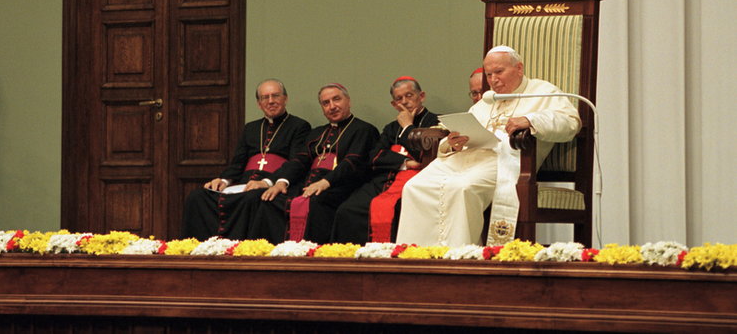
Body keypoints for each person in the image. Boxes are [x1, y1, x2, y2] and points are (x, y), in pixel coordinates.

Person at [396, 46, 580, 247]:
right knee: (414, 187)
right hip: (465, 158)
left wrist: (531, 119)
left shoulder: (543, 92)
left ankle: (458, 258)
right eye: (489, 74)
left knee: (462, 188)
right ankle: (417, 257)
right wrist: (451, 143)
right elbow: (463, 128)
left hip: (503, 161)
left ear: (519, 68)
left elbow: (571, 122)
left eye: (499, 72)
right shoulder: (487, 99)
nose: (493, 80)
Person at [180, 79, 311, 239]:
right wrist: (224, 180)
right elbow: (238, 161)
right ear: (259, 103)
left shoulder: (299, 126)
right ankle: (203, 247)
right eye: (265, 97)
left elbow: (296, 162)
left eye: (275, 96)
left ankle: (238, 249)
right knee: (197, 196)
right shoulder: (251, 128)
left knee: (253, 198)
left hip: (273, 183)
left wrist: (267, 182)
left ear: (285, 98)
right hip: (243, 183)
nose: (270, 101)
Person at [249, 83, 379, 244]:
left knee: (316, 203)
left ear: (348, 101)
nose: (332, 106)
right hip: (308, 185)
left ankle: (312, 255)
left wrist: (326, 182)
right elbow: (299, 161)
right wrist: (281, 182)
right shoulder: (317, 133)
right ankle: (268, 253)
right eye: (326, 103)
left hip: (340, 186)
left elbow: (352, 163)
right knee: (271, 200)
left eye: (336, 99)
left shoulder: (364, 129)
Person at [330, 76, 439, 244]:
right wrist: (406, 162)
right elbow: (375, 156)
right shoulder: (391, 128)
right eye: (399, 99)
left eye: (409, 96)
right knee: (347, 210)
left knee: (398, 211)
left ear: (421, 96)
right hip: (385, 180)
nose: (405, 102)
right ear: (394, 104)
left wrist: (408, 127)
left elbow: (425, 156)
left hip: (418, 183)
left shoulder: (437, 122)